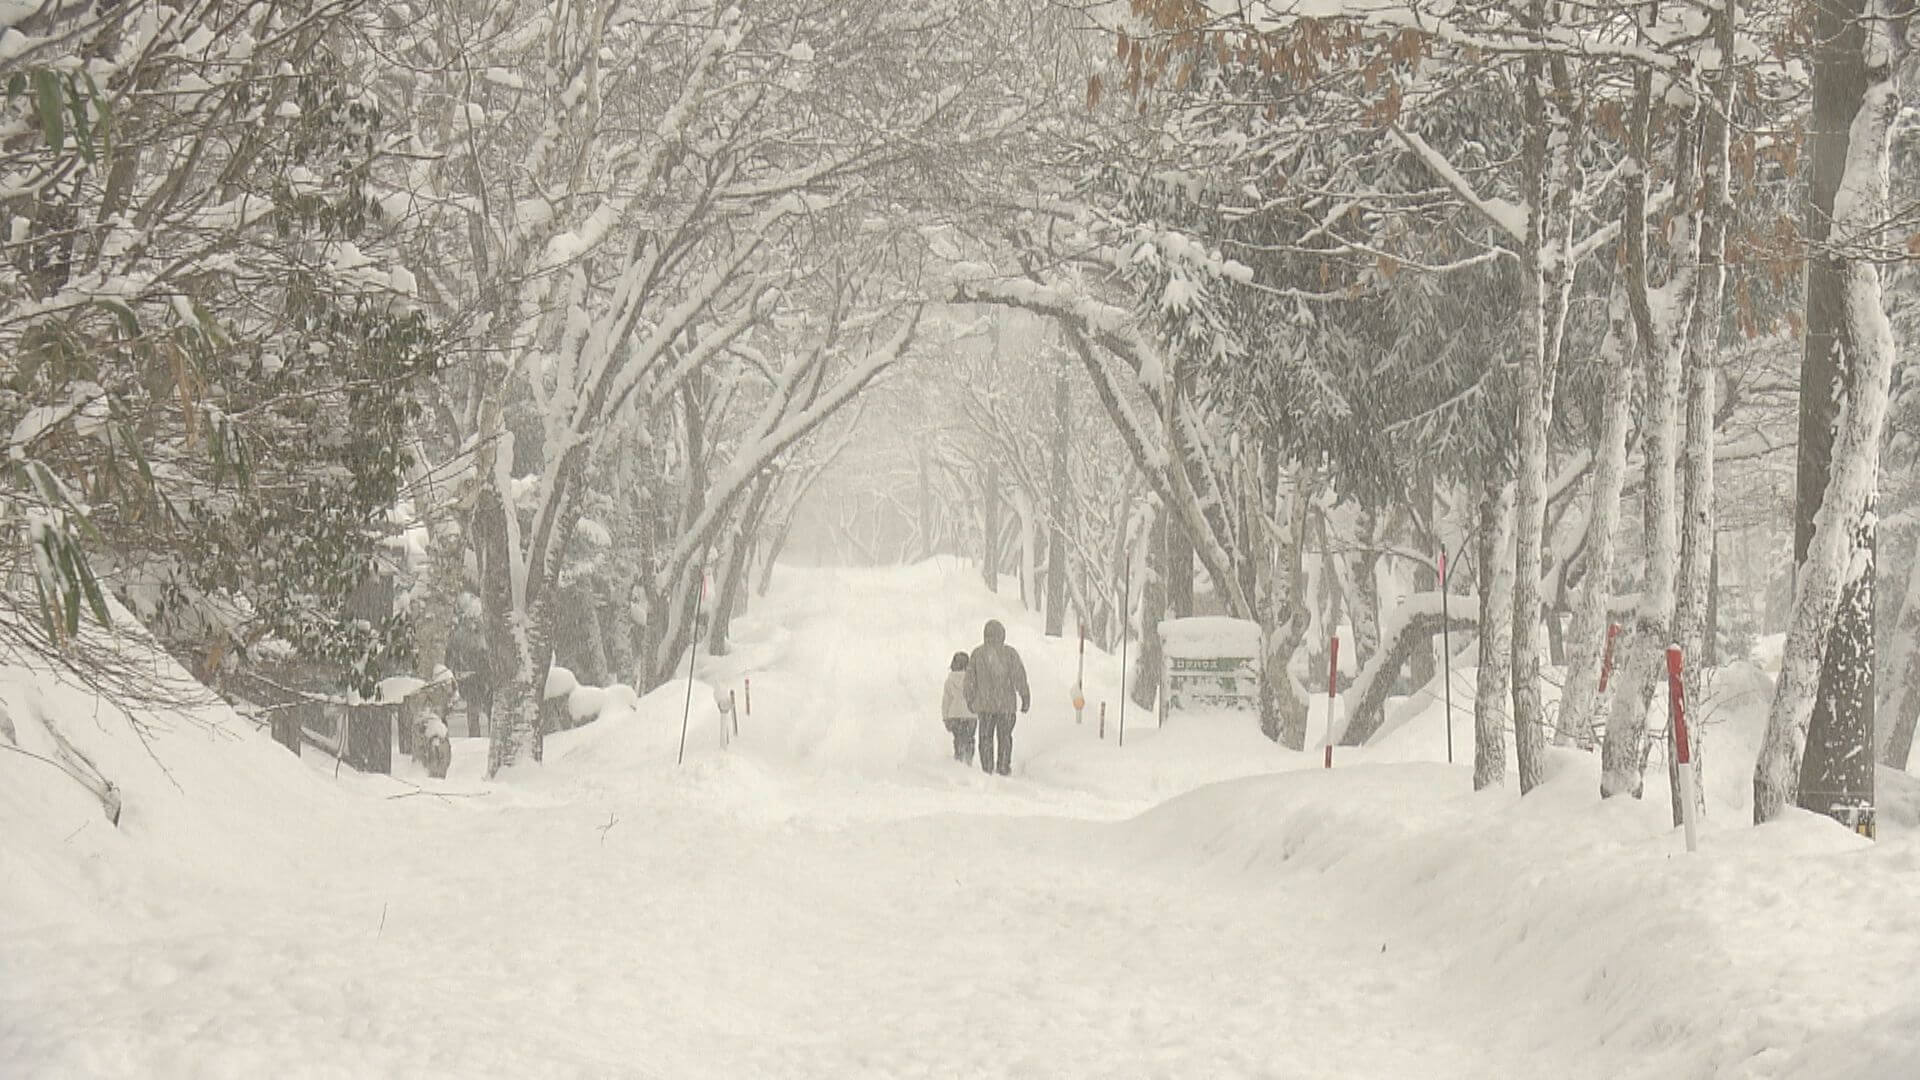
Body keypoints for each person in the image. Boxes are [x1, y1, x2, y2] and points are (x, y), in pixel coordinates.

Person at [965, 619, 1029, 776]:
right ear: (1003, 635)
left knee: (985, 738)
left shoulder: (977, 654)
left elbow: (970, 681)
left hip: (985, 706)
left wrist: (970, 699)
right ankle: (1003, 766)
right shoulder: (1010, 654)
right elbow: (1019, 676)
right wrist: (1025, 695)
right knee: (1005, 737)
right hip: (1006, 706)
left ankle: (987, 768)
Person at [941, 652, 977, 765]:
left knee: (958, 738)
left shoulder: (949, 680)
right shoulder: (973, 679)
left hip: (955, 714)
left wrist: (945, 717)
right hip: (971, 713)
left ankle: (959, 758)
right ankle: (969, 759)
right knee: (970, 738)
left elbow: (946, 701)